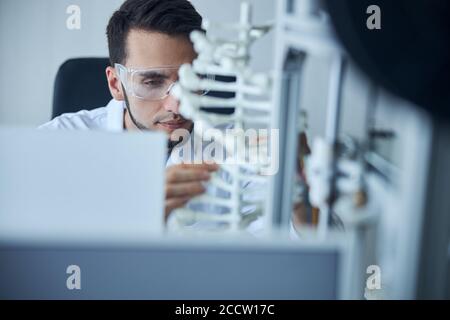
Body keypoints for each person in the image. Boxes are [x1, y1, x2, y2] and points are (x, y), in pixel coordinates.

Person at [40, 0, 311, 232]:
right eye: (152, 82)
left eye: (191, 80)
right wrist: (141, 216)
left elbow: (302, 251)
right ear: (115, 85)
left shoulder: (234, 150)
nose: (177, 105)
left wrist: (299, 193)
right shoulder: (58, 142)